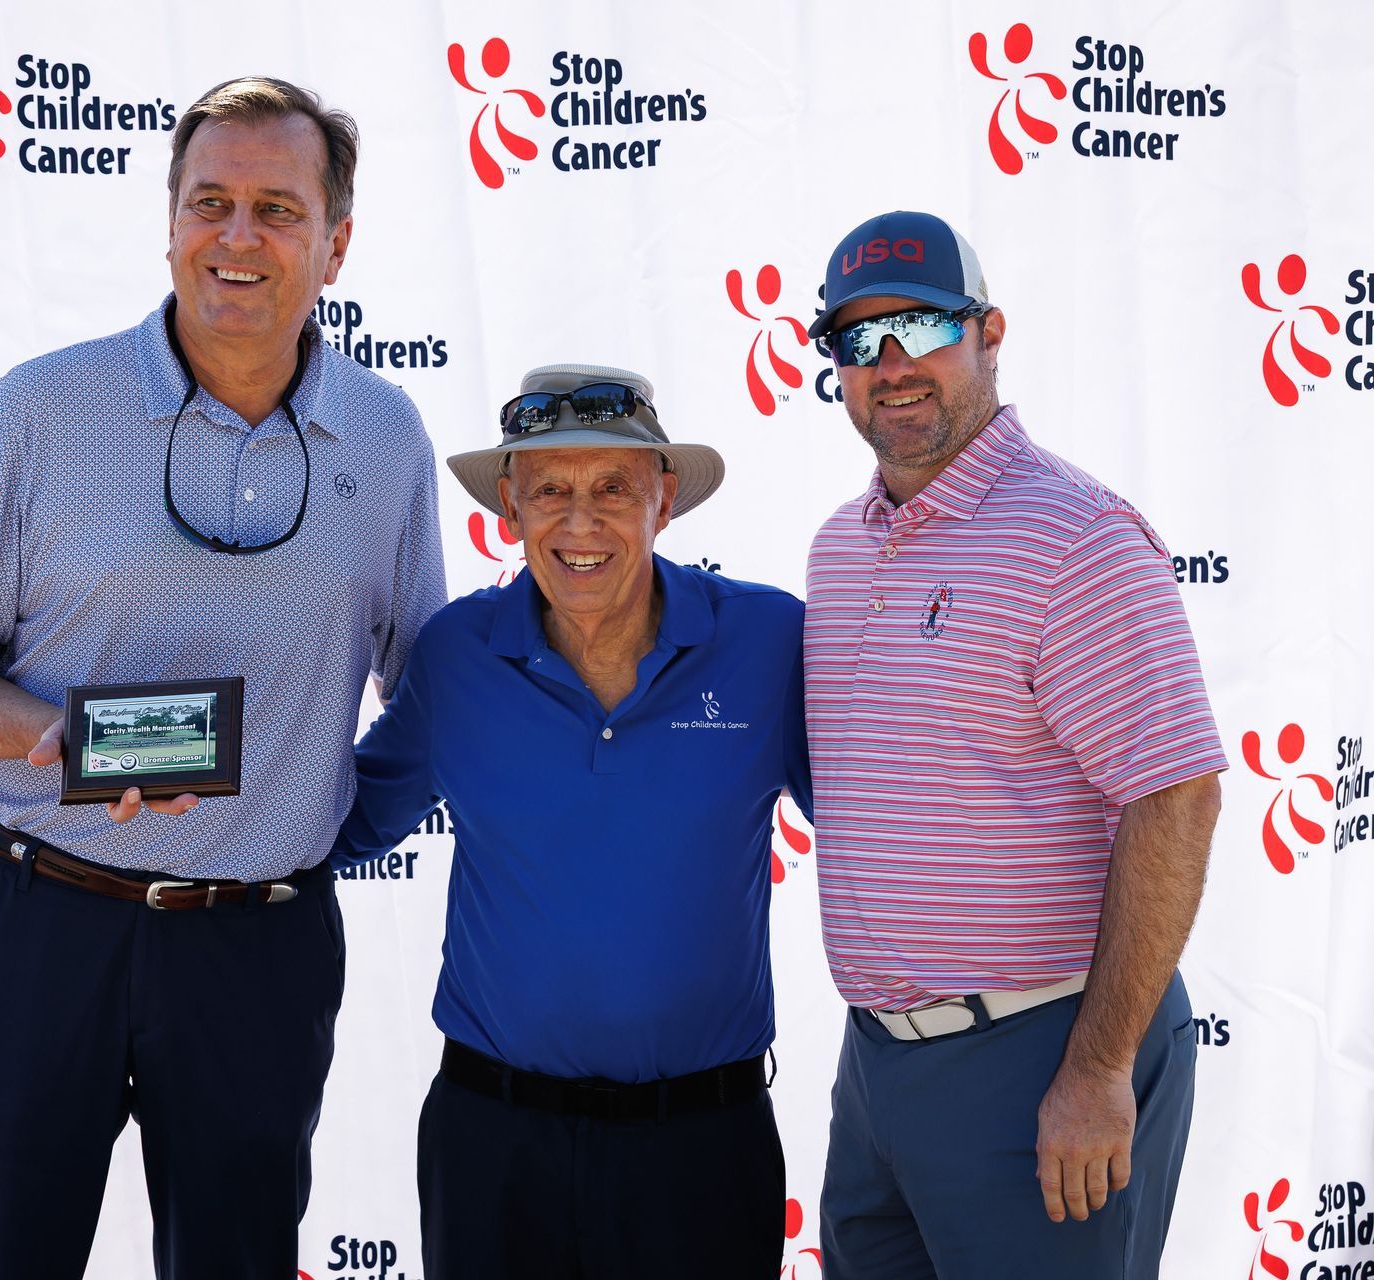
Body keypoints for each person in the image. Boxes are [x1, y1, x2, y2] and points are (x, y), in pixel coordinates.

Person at [0, 76, 446, 1280]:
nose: (238, 235)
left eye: (278, 209)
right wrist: (53, 736)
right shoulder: (37, 411)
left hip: (258, 947)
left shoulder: (388, 436)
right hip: (35, 923)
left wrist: (317, 822)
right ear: (171, 221)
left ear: (336, 244)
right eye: (210, 202)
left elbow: (429, 690)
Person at [802, 210, 1226, 1278]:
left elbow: (1176, 796)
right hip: (879, 1066)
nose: (891, 364)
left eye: (920, 326)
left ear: (988, 332)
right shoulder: (839, 549)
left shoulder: (1075, 536)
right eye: (857, 340)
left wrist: (1099, 1068)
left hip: (1045, 1055)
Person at [334, 364, 811, 1278]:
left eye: (612, 489)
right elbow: (340, 823)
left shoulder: (768, 641)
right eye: (550, 490)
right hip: (494, 1143)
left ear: (663, 501)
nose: (579, 523)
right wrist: (175, 786)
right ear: (510, 507)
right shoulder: (458, 653)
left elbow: (879, 823)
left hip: (702, 1146)